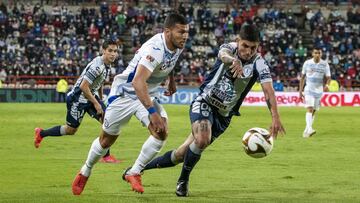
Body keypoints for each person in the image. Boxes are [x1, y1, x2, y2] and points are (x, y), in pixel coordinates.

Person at [140, 23, 286, 197]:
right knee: (202, 139)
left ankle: (138, 168)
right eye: (245, 46)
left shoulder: (260, 63)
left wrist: (275, 117)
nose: (248, 51)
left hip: (224, 116)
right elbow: (223, 55)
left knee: (181, 154)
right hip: (205, 102)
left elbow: (268, 91)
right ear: (238, 41)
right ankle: (183, 181)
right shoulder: (229, 49)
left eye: (253, 48)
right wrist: (234, 60)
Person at [71, 13, 189, 195]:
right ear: (167, 32)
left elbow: (170, 61)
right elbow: (137, 82)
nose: (185, 36)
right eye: (181, 32)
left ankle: (134, 172)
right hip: (125, 94)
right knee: (106, 140)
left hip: (147, 94)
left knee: (161, 132)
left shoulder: (177, 43)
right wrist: (153, 113)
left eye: (186, 32)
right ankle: (85, 170)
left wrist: (171, 79)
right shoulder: (154, 48)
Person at [34, 39, 121, 163]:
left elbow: (99, 81)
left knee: (107, 121)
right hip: (78, 98)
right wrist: (96, 103)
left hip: (90, 96)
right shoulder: (97, 66)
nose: (113, 54)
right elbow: (83, 86)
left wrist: (100, 99)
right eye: (110, 51)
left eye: (115, 51)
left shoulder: (107, 65)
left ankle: (106, 156)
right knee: (71, 130)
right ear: (103, 51)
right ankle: (41, 133)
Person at [299, 47, 331, 138]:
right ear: (312, 54)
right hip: (308, 89)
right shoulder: (307, 63)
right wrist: (300, 91)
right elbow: (302, 77)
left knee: (313, 111)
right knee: (310, 108)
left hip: (319, 90)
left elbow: (328, 78)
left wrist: (327, 86)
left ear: (321, 54)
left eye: (319, 53)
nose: (317, 54)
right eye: (316, 53)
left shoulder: (325, 64)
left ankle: (306, 131)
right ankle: (309, 129)